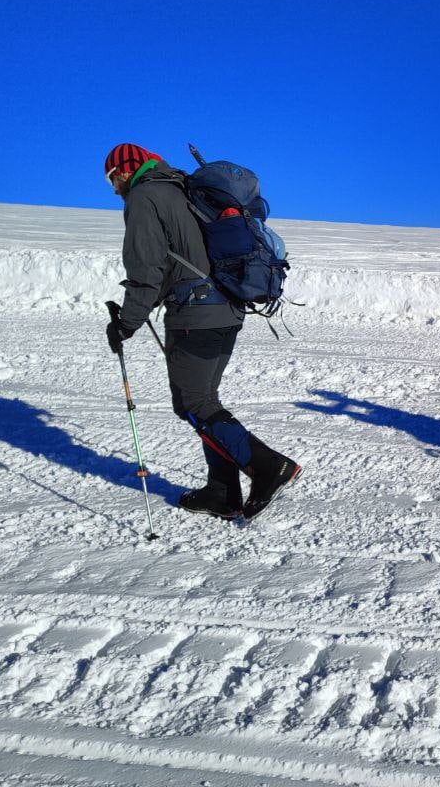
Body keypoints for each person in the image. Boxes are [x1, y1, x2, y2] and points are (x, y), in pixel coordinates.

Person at [103, 143, 301, 521]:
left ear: (126, 171)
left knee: (194, 404)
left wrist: (126, 323)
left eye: (113, 178)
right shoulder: (183, 188)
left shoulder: (145, 196)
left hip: (196, 314)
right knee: (204, 399)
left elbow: (146, 269)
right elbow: (179, 260)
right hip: (228, 307)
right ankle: (222, 493)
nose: (114, 188)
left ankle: (268, 467)